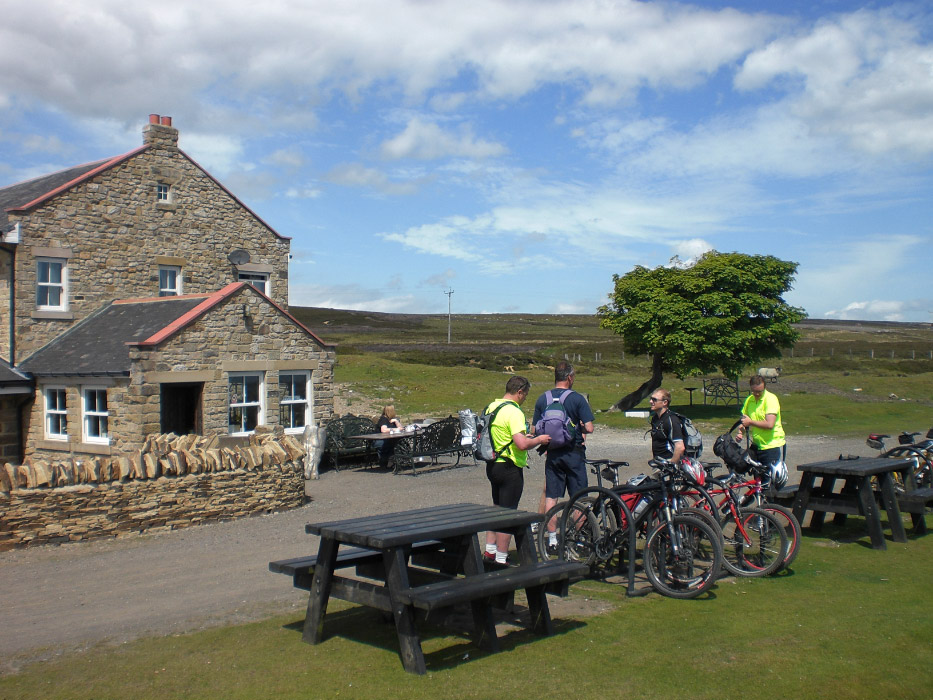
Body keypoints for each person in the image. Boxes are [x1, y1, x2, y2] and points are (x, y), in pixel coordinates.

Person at [483, 375, 551, 565]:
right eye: (525, 395)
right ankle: (501, 558)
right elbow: (521, 444)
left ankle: (489, 551)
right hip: (510, 467)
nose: (525, 399)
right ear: (519, 392)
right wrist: (538, 440)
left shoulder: (491, 406)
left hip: (493, 464)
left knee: (496, 508)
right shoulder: (514, 412)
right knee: (508, 513)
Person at [532, 361, 595, 552]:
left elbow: (535, 429)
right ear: (570, 377)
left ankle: (551, 539)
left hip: (552, 454)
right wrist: (580, 427)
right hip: (573, 453)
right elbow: (590, 428)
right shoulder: (577, 399)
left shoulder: (543, 398)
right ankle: (579, 539)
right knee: (579, 498)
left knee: (552, 496)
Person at [738, 375, 787, 490]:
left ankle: (770, 506)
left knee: (769, 483)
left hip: (770, 446)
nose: (757, 394)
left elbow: (769, 424)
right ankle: (759, 505)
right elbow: (744, 419)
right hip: (756, 445)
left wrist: (750, 422)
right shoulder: (749, 400)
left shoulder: (770, 399)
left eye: (760, 391)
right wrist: (740, 431)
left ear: (764, 388)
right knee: (757, 481)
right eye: (754, 391)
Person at [648, 388, 684, 463]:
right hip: (659, 462)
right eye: (651, 399)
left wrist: (672, 466)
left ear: (665, 402)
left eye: (654, 399)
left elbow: (680, 447)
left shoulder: (672, 420)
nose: (650, 401)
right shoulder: (655, 418)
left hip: (669, 462)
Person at [375, 405, 402, 470]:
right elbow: (383, 430)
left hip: (390, 439)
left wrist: (396, 421)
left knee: (399, 442)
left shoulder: (392, 419)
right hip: (380, 440)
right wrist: (395, 429)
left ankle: (393, 462)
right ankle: (386, 463)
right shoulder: (383, 419)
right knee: (391, 444)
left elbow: (401, 428)